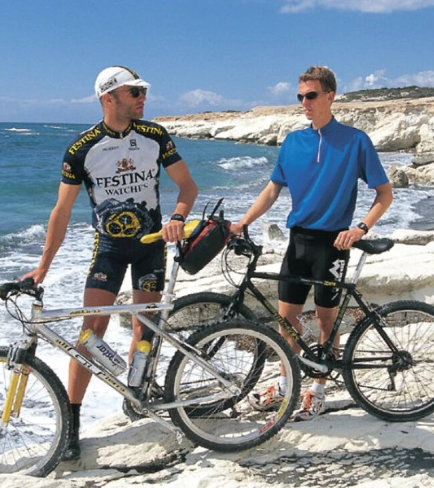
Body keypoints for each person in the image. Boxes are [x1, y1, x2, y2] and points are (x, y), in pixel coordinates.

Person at [23, 65, 198, 460]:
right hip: (110, 249)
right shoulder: (82, 148)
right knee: (92, 331)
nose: (143, 97)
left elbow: (187, 186)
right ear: (109, 97)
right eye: (134, 92)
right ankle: (72, 421)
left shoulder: (155, 136)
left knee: (145, 326)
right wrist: (43, 266)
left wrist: (177, 218)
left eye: (143, 91)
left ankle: (137, 393)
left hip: (151, 245)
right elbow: (61, 211)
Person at [231, 65, 392, 421]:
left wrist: (360, 229)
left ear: (330, 96)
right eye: (300, 96)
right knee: (286, 320)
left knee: (325, 323)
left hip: (332, 245)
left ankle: (318, 390)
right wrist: (243, 222)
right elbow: (273, 189)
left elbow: (384, 193)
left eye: (312, 95)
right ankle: (286, 384)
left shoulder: (355, 141)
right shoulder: (293, 142)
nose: (304, 102)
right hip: (298, 241)